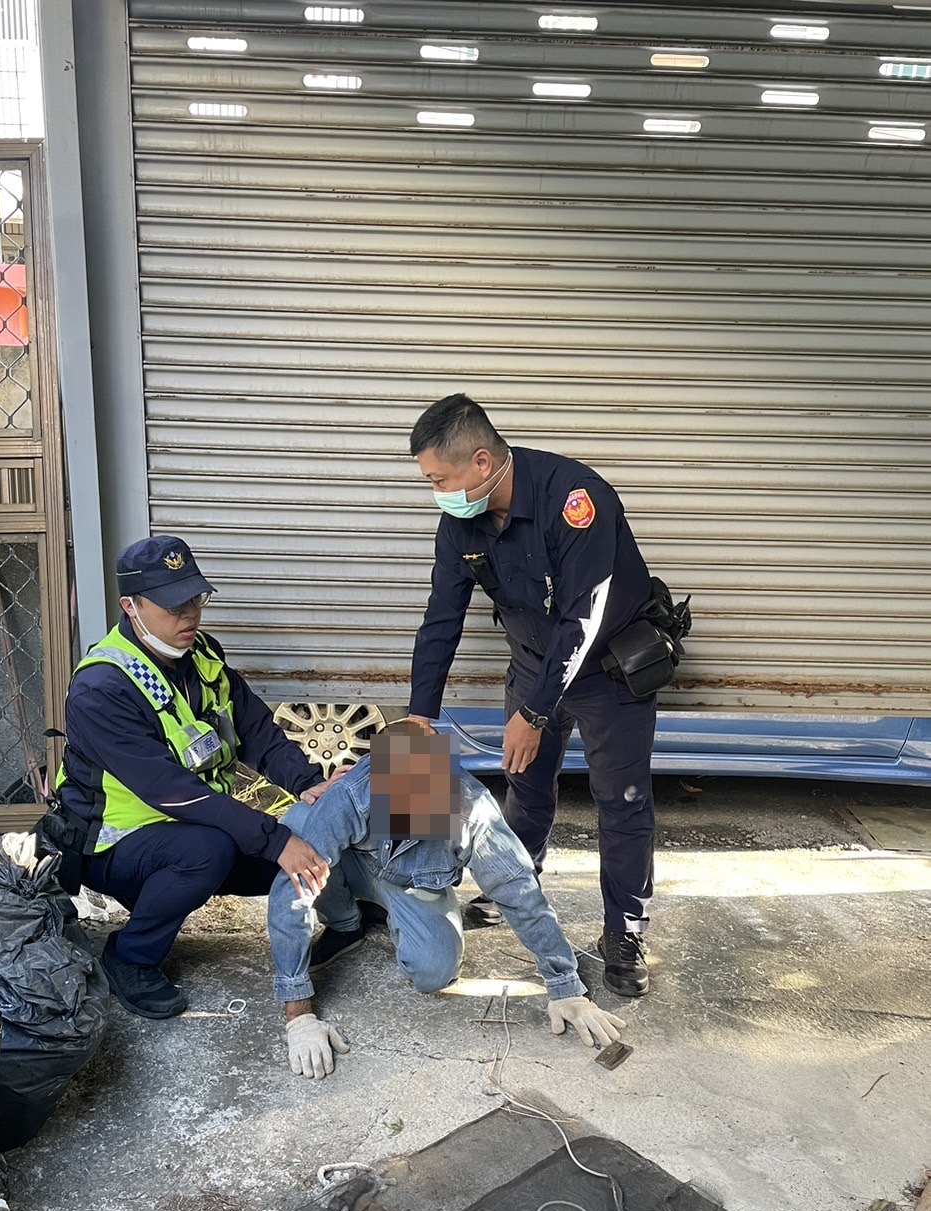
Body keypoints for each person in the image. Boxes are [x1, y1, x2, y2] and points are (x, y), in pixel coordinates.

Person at [407, 393, 659, 998]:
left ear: (482, 461)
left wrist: (534, 713)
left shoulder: (575, 499)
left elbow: (582, 619)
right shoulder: (460, 521)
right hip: (529, 665)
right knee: (526, 786)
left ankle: (624, 933)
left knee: (621, 802)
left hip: (607, 673)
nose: (434, 491)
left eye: (438, 478)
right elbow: (443, 615)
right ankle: (516, 887)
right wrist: (420, 713)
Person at [45, 537, 333, 1019]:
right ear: (131, 607)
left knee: (307, 838)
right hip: (112, 844)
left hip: (192, 823)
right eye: (172, 604)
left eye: (195, 598)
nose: (189, 615)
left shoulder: (201, 654)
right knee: (216, 851)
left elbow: (256, 728)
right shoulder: (102, 686)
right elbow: (170, 791)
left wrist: (305, 782)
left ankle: (348, 918)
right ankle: (130, 957)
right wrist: (272, 837)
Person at [266, 720, 626, 1079]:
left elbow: (520, 893)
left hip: (412, 887)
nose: (412, 818)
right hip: (352, 867)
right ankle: (347, 923)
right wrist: (298, 1016)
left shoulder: (471, 812)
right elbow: (292, 892)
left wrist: (564, 986)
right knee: (299, 823)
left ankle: (386, 909)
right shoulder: (351, 795)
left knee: (434, 971)